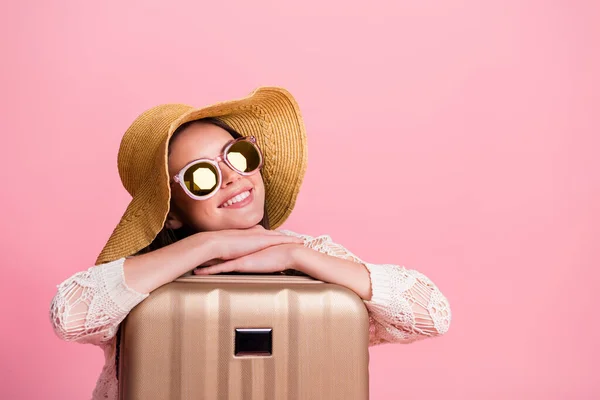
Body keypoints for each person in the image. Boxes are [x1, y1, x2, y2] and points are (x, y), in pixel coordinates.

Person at [49, 87, 451, 400]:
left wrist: (298, 255)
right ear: (170, 212)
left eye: (237, 156)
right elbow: (69, 315)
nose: (230, 177)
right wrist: (207, 246)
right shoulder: (140, 279)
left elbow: (431, 314)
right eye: (201, 176)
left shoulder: (310, 256)